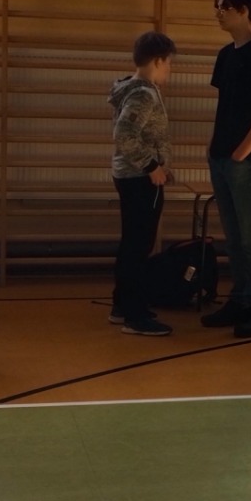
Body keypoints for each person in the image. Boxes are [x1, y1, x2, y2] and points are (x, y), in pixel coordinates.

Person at [201, 0, 251, 338]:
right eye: (217, 7)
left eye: (225, 8)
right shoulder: (225, 55)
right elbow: (227, 106)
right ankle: (239, 298)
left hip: (243, 162)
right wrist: (215, 146)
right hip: (221, 156)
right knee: (233, 236)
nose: (219, 14)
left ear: (244, 11)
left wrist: (240, 153)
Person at [109, 30, 177, 337]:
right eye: (169, 63)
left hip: (132, 176)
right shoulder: (143, 94)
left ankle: (122, 305)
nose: (169, 69)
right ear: (157, 61)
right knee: (139, 246)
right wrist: (151, 166)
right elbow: (124, 134)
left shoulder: (133, 88)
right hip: (139, 178)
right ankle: (135, 316)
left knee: (132, 244)